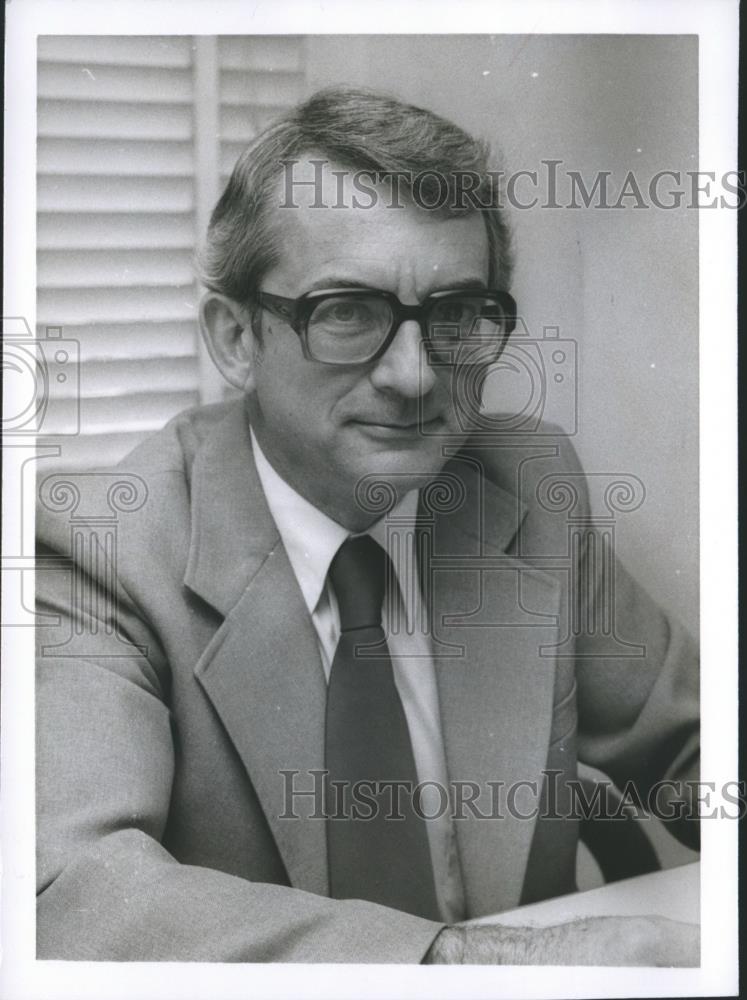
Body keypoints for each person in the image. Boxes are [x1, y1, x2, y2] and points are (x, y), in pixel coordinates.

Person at [35, 86, 699, 965]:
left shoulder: (527, 483)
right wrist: (463, 964)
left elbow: (696, 750)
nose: (415, 375)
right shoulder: (103, 547)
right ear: (235, 337)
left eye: (456, 315)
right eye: (346, 312)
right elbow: (65, 889)